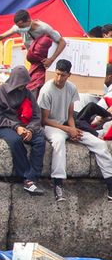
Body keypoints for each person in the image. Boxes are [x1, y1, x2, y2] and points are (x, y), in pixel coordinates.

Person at [38, 60, 112, 201]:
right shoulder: (46, 90)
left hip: (67, 124)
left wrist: (72, 129)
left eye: (63, 75)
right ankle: (58, 183)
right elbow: (45, 120)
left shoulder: (71, 88)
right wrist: (68, 129)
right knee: (59, 142)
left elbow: (70, 115)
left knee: (99, 144)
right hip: (52, 127)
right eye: (58, 74)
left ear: (69, 75)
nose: (59, 78)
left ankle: (110, 183)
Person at [0, 66, 46, 195]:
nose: (23, 87)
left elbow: (36, 116)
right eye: (21, 84)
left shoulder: (27, 93)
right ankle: (26, 177)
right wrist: (16, 127)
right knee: (15, 141)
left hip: (24, 126)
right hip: (3, 126)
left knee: (39, 140)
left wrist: (31, 130)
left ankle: (32, 177)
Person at [0, 9, 67, 69]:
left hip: (48, 60)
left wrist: (51, 59)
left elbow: (62, 42)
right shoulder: (18, 28)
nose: (20, 28)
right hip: (34, 60)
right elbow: (1, 36)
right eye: (19, 26)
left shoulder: (44, 28)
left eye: (22, 26)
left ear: (29, 20)